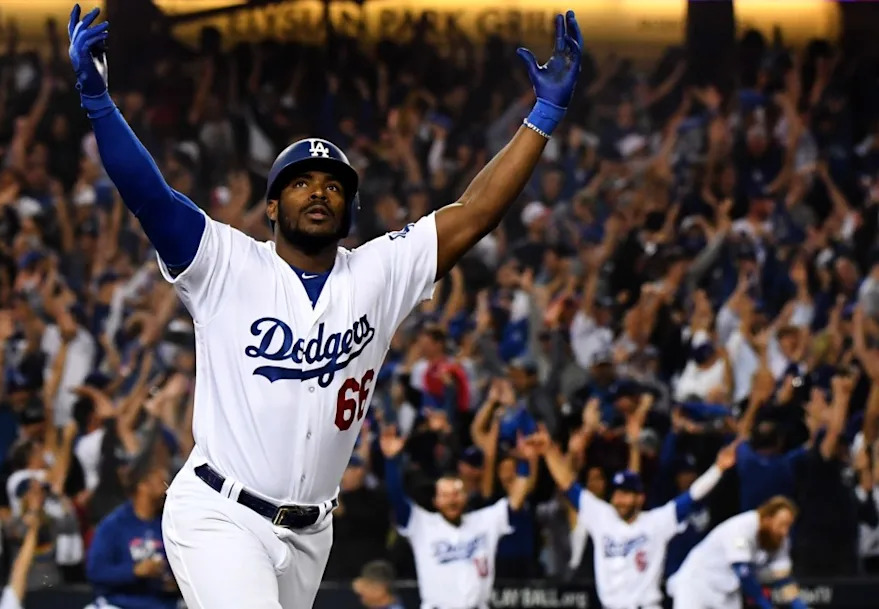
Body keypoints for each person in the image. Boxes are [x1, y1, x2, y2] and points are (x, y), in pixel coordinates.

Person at [66, 4, 583, 608]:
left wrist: (543, 116)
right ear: (272, 208)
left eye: (334, 185)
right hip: (220, 514)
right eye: (301, 182)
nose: (318, 191)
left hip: (313, 533)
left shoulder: (379, 273)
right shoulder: (225, 263)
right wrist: (99, 104)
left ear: (349, 211)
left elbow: (474, 213)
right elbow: (149, 196)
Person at [522, 426, 737, 609]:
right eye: (617, 493)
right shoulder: (602, 516)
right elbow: (568, 483)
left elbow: (691, 496)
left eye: (626, 494)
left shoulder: (656, 522)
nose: (620, 499)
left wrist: (717, 469)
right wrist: (549, 450)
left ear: (639, 498)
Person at [380, 426, 534, 609]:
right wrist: (391, 461)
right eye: (445, 495)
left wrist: (525, 462)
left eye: (456, 493)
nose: (451, 500)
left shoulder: (485, 521)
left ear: (465, 496)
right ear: (435, 501)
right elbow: (397, 499)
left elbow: (516, 500)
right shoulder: (422, 524)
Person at [667, 496, 808, 609]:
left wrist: (798, 605)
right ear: (767, 518)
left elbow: (782, 577)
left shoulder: (780, 538)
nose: (785, 531)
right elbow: (743, 573)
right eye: (781, 524)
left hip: (728, 591)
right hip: (697, 585)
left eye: (788, 525)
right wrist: (766, 605)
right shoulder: (741, 527)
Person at [85, 465, 178, 609]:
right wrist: (134, 571)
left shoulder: (170, 523)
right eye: (159, 479)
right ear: (142, 485)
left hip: (163, 604)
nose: (166, 483)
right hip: (121, 603)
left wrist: (175, 583)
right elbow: (96, 571)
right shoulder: (114, 524)